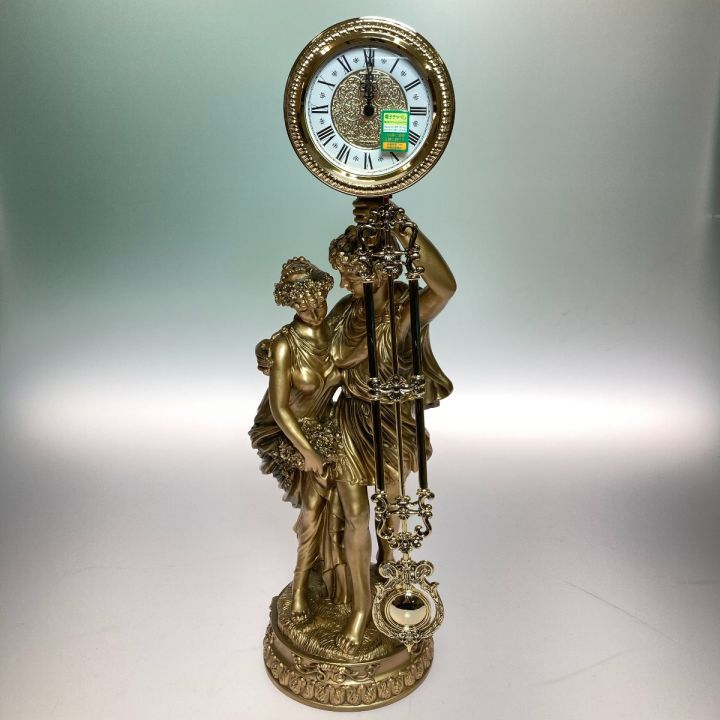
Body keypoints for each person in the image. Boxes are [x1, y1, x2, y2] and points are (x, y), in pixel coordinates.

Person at [326, 197, 456, 654]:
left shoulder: (404, 309)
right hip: (350, 418)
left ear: (377, 273)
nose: (343, 282)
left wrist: (404, 229)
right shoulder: (344, 313)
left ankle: (392, 579)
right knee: (356, 516)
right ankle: (361, 609)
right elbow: (321, 366)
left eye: (350, 274)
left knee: (394, 508)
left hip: (392, 422)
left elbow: (445, 287)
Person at [249, 257, 346, 621]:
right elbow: (279, 408)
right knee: (314, 509)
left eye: (319, 302)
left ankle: (336, 576)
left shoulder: (335, 330)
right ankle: (302, 587)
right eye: (304, 308)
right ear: (292, 306)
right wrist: (307, 453)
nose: (315, 312)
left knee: (344, 503)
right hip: (290, 433)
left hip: (329, 425)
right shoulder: (283, 345)